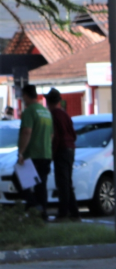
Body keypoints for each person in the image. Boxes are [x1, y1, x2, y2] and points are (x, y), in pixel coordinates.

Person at [16, 85, 53, 220]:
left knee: (17, 179)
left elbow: (27, 132)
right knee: (41, 185)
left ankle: (34, 205)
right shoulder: (46, 112)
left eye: (23, 96)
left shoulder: (29, 111)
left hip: (33, 155)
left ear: (26, 95)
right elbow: (51, 135)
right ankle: (42, 214)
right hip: (46, 153)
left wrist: (21, 153)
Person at [46, 89, 79, 222]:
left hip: (61, 150)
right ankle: (74, 213)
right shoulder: (65, 114)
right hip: (70, 149)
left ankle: (63, 213)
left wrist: (51, 154)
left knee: (62, 183)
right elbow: (73, 134)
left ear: (48, 102)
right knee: (67, 182)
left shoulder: (53, 115)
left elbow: (56, 137)